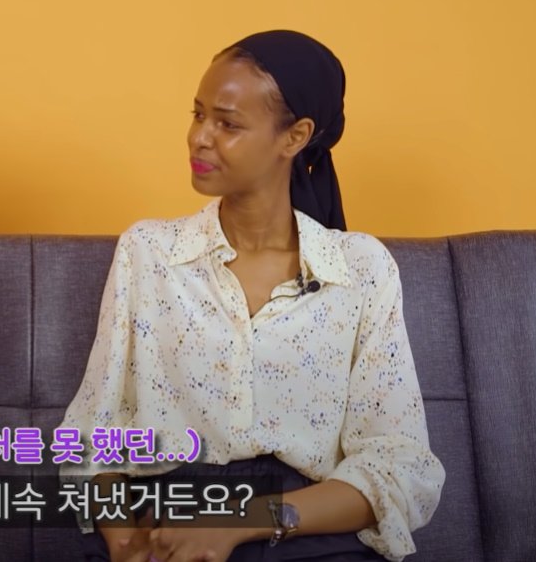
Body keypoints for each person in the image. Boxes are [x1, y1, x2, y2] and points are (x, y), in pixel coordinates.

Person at [58, 30, 444, 562]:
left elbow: (397, 464)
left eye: (228, 123)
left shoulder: (361, 269)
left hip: (304, 528)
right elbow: (91, 435)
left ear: (295, 137)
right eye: (198, 115)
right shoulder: (148, 252)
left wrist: (236, 522)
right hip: (166, 520)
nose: (199, 137)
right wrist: (123, 540)